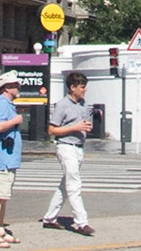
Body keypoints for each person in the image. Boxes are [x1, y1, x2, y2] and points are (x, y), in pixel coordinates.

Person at [41, 70, 95, 236]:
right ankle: (81, 222)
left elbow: (83, 123)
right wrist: (75, 128)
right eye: (82, 87)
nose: (84, 90)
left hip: (79, 147)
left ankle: (49, 218)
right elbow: (52, 129)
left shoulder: (82, 104)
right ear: (72, 88)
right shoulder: (62, 105)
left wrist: (86, 128)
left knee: (65, 185)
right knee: (74, 184)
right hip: (66, 146)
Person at [0, 72, 24, 247]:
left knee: (4, 196)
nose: (18, 87)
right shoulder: (2, 103)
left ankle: (0, 228)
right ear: (7, 87)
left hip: (8, 158)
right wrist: (15, 120)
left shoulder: (8, 103)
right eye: (15, 85)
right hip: (2, 158)